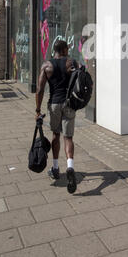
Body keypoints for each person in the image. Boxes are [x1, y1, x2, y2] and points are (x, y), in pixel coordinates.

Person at [35, 40, 78, 194]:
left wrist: (38, 110)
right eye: (67, 48)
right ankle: (70, 166)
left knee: (55, 134)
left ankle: (55, 168)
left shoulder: (47, 65)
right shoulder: (72, 63)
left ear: (54, 50)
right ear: (64, 49)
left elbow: (40, 89)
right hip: (70, 104)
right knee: (69, 137)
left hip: (54, 104)